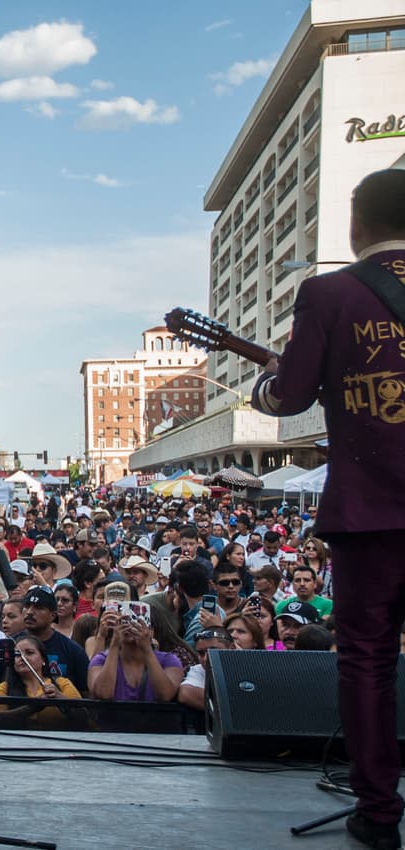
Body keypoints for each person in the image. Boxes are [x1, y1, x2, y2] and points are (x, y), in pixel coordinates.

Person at [249, 169, 405, 848]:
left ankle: (379, 812)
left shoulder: (330, 293)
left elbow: (289, 398)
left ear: (356, 225)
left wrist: (261, 387)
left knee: (368, 658)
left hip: (371, 509)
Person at [0, 635, 83, 730]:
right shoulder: (5, 687)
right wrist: (31, 707)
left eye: (29, 653)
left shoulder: (62, 684)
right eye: (17, 655)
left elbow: (83, 717)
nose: (23, 657)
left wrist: (60, 698)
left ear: (43, 660)